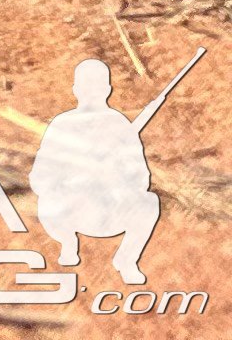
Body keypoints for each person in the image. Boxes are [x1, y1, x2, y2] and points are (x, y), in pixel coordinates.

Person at [33, 60, 166, 285]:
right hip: (71, 210)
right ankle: (67, 243)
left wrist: (116, 178)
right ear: (75, 90)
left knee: (149, 203)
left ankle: (126, 259)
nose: (91, 93)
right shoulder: (62, 124)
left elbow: (140, 176)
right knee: (46, 202)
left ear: (107, 90)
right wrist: (70, 180)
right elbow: (40, 175)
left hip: (109, 211)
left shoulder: (120, 124)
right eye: (86, 87)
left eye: (97, 87)